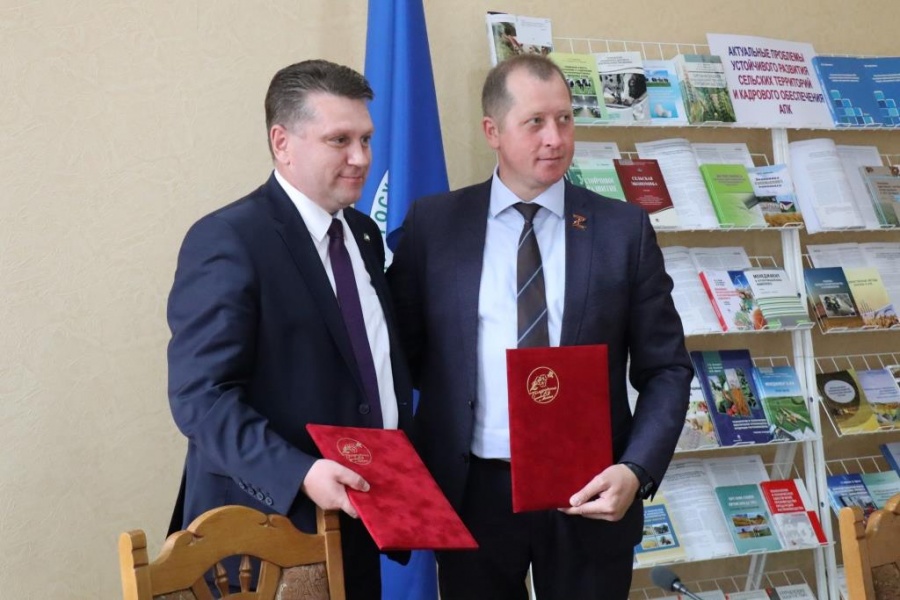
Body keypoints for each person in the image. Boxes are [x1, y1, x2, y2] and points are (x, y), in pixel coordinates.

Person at [387, 54, 692, 600]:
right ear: (492, 131)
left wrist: (636, 469)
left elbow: (667, 369)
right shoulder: (434, 226)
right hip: (473, 493)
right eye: (535, 122)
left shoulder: (622, 231)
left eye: (565, 119)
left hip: (590, 490)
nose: (555, 138)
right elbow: (398, 356)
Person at [166, 59, 413, 598]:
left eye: (366, 139)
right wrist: (300, 473)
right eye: (339, 140)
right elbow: (201, 398)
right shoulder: (229, 239)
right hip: (265, 533)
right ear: (283, 143)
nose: (361, 158)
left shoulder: (363, 234)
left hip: (358, 519)